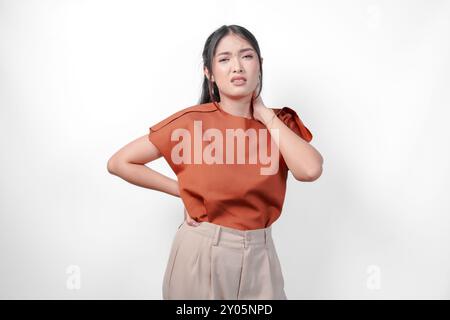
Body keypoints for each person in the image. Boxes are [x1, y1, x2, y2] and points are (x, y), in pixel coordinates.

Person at [107, 25, 323, 300]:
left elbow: (310, 169)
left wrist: (266, 116)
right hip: (203, 251)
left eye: (246, 56)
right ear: (209, 72)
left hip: (262, 255)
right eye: (224, 59)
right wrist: (182, 191)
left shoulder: (279, 125)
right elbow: (120, 162)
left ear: (260, 64)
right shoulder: (191, 123)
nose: (237, 67)